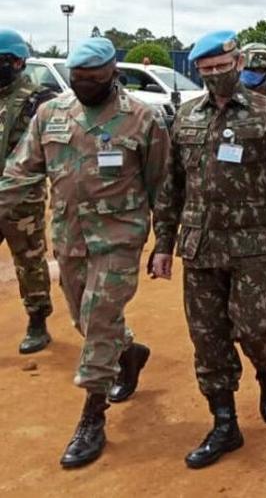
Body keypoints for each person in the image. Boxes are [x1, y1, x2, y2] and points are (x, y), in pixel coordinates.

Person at [0, 36, 169, 468]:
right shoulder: (51, 113)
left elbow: (161, 185)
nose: (83, 85)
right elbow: (20, 171)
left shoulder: (142, 119)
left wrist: (164, 241)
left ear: (112, 74)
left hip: (119, 237)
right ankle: (128, 353)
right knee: (83, 317)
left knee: (100, 316)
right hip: (69, 237)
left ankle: (93, 415)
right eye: (77, 78)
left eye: (93, 78)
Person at [151, 30, 266, 469]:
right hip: (200, 246)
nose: (216, 75)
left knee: (257, 328)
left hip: (254, 246)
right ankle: (224, 423)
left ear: (239, 63)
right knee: (207, 339)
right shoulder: (186, 117)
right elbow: (171, 186)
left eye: (223, 67)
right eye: (207, 70)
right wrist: (163, 244)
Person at [0, 28, 56, 354]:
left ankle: (37, 321)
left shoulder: (40, 100)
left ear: (19, 62)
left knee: (29, 259)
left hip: (22, 198)